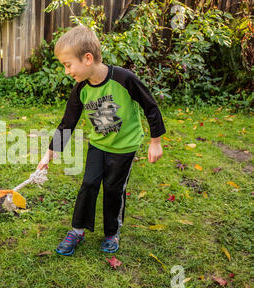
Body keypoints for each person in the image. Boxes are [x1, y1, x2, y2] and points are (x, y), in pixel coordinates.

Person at [37, 25, 166, 255]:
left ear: (87, 58)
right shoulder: (81, 90)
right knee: (88, 184)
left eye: (68, 65)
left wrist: (155, 141)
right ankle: (77, 230)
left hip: (125, 146)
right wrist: (49, 153)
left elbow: (151, 106)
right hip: (98, 144)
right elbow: (68, 123)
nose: (66, 71)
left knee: (113, 189)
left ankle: (111, 232)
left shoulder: (125, 79)